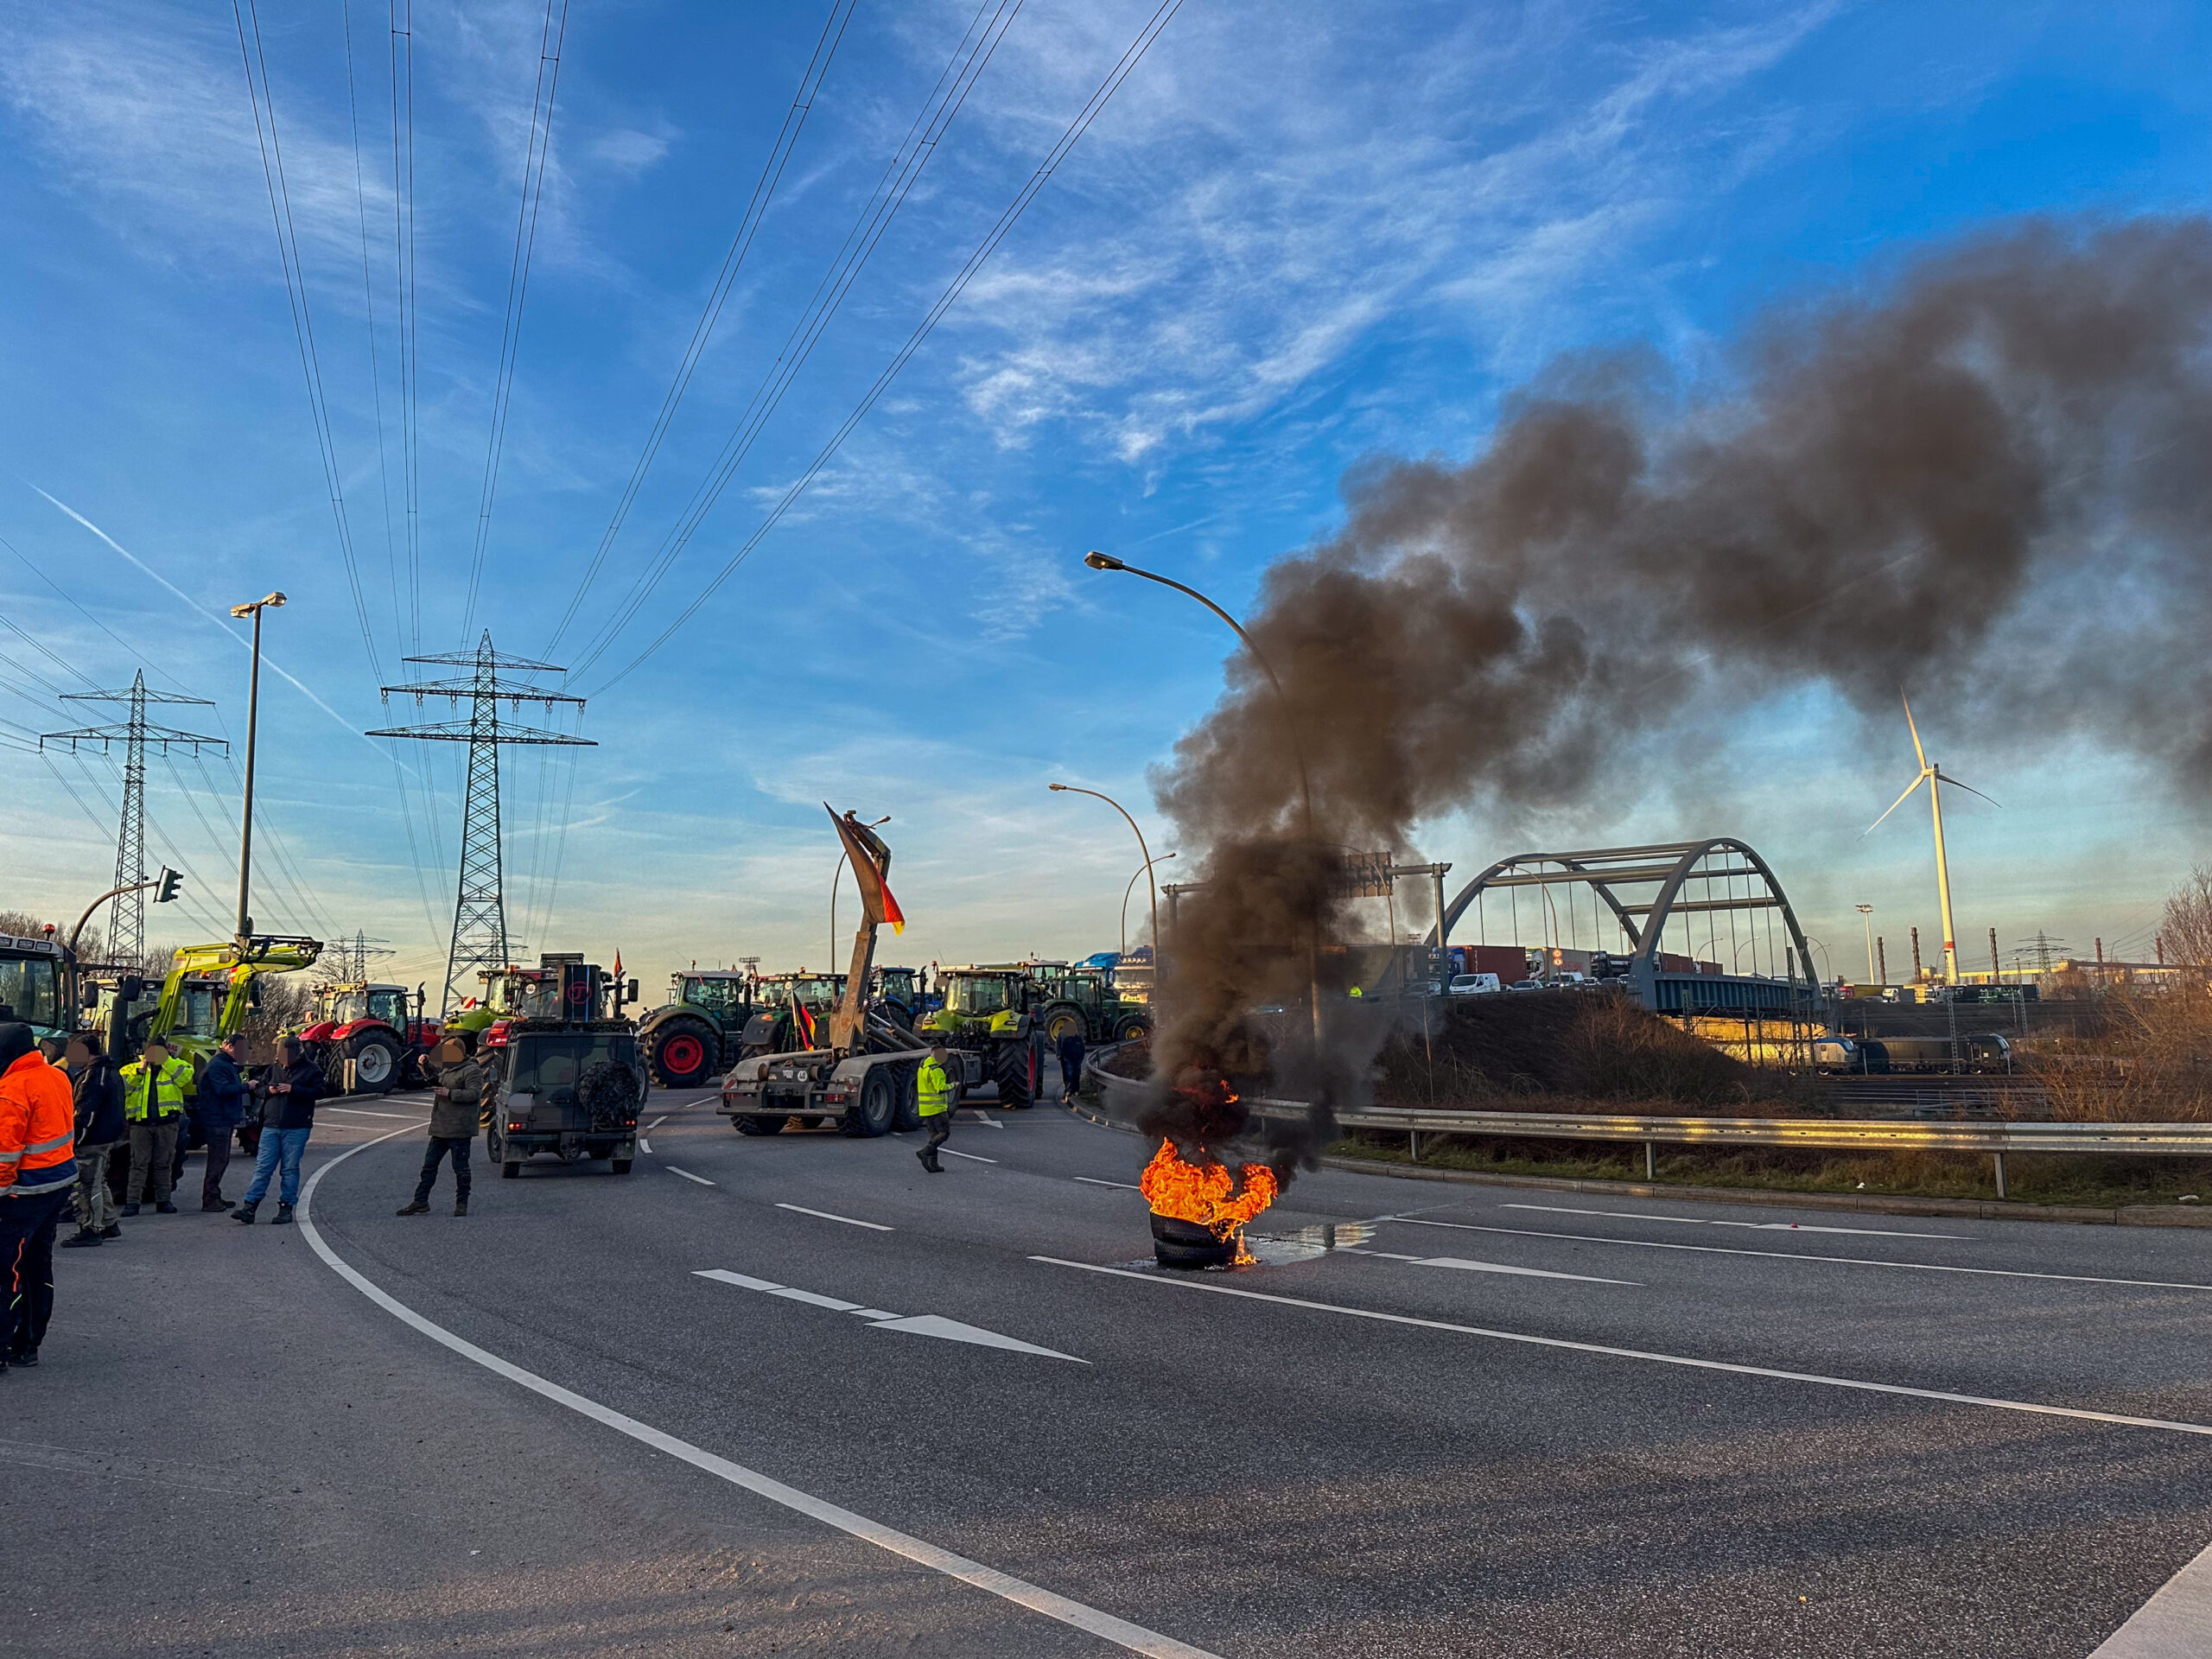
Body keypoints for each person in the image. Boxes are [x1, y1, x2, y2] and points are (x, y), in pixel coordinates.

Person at [0, 1021, 77, 1370]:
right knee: (36, 1265)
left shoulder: (12, 1088)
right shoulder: (55, 1076)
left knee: (6, 1271)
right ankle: (28, 1344)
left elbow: (4, 1155)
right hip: (58, 1183)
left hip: (23, 1193)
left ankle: (2, 1346)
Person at [233, 1036, 323, 1227]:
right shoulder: (273, 1070)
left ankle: (286, 1207)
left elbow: (320, 1091)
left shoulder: (311, 1070)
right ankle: (250, 1207)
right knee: (262, 1168)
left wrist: (293, 1089)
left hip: (296, 1126)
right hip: (271, 1126)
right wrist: (269, 1091)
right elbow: (259, 1090)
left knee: (289, 1169)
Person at [398, 1033, 480, 1217]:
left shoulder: (471, 1070)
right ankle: (420, 1201)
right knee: (429, 1166)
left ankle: (462, 1204)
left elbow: (474, 1094)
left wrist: (449, 1093)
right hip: (441, 1127)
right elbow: (435, 1079)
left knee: (461, 1168)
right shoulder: (447, 1068)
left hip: (459, 1129)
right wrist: (425, 1065)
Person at [60, 1033, 124, 1248]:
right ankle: (108, 1222)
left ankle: (90, 1228)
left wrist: (74, 1141)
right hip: (106, 1137)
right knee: (99, 1181)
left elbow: (85, 1115)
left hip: (91, 1140)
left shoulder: (93, 1076)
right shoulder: (111, 1072)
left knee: (87, 1185)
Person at [118, 1039, 192, 1215]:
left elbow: (184, 1078)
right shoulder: (130, 1069)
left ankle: (164, 1201)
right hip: (140, 1125)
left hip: (167, 1124)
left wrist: (165, 1061)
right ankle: (133, 1203)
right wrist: (140, 1070)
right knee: (138, 1164)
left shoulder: (178, 1066)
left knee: (164, 1163)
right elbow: (124, 1088)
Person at [194, 1035, 247, 1212]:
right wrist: (247, 1087)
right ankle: (210, 1199)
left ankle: (214, 1196)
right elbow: (222, 1090)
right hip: (217, 1119)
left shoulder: (225, 1064)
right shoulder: (219, 1065)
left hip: (222, 1118)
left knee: (221, 1160)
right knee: (218, 1160)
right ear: (229, 1046)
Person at [914, 1040, 957, 1173]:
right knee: (944, 1133)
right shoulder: (937, 1070)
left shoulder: (923, 1069)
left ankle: (933, 1165)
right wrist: (953, 1085)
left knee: (934, 1135)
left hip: (926, 1109)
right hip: (937, 1108)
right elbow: (940, 1088)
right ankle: (925, 1152)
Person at [1056, 1027, 1086, 1103]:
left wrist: (1080, 1059)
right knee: (1068, 1074)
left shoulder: (1078, 1039)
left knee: (1076, 1074)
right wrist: (1060, 1055)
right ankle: (1069, 1090)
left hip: (1076, 1059)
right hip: (1067, 1059)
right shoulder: (1063, 1036)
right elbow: (1059, 1046)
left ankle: (1075, 1090)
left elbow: (1082, 1049)